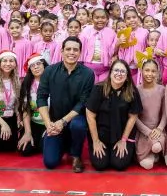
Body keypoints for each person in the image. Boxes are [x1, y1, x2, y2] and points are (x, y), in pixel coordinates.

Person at [37, 36, 95, 172]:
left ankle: (76, 155)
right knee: (50, 163)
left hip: (76, 118)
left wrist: (63, 122)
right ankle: (62, 145)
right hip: (54, 120)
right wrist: (48, 124)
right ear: (62, 51)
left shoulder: (88, 74)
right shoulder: (49, 71)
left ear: (80, 52)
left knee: (78, 126)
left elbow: (83, 102)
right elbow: (41, 97)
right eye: (68, 49)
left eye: (75, 50)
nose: (72, 52)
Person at [86, 59, 141, 171]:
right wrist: (96, 141)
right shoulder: (98, 89)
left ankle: (127, 150)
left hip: (122, 134)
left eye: (122, 71)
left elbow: (133, 117)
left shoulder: (132, 92)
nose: (119, 74)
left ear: (127, 76)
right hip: (101, 135)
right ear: (110, 73)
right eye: (116, 70)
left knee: (119, 164)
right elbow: (90, 115)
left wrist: (124, 140)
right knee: (100, 164)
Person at [134, 59, 167, 169]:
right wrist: (147, 132)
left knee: (156, 147)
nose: (150, 74)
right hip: (142, 132)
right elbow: (134, 117)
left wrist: (160, 128)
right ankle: (148, 153)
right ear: (141, 71)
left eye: (153, 71)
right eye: (147, 70)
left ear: (157, 72)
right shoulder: (136, 90)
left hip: (158, 131)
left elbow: (165, 113)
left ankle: (155, 152)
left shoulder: (162, 90)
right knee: (147, 165)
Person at [16, 54, 47, 156]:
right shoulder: (27, 84)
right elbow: (26, 109)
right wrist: (27, 132)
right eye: (32, 65)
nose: (36, 67)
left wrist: (50, 126)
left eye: (38, 64)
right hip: (34, 123)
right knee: (24, 150)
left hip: (49, 123)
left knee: (45, 148)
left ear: (44, 65)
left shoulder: (53, 81)